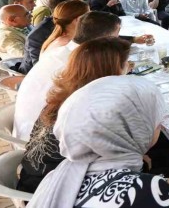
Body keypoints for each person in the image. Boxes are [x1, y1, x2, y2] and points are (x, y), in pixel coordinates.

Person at [27, 75, 169, 208]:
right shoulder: (148, 196)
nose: (159, 125)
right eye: (153, 119)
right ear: (133, 130)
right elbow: (139, 193)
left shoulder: (63, 174)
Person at [14, 12, 153, 141]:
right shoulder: (81, 64)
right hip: (43, 140)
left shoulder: (61, 52)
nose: (118, 39)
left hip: (30, 128)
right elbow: (102, 106)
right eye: (117, 35)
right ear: (106, 39)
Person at [17, 38, 132, 192]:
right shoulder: (93, 111)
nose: (129, 67)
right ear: (112, 70)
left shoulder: (64, 98)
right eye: (126, 64)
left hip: (34, 178)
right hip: (55, 191)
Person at [20, 0, 85, 74]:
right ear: (64, 9)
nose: (83, 6)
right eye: (77, 5)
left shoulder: (77, 27)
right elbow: (40, 67)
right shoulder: (39, 34)